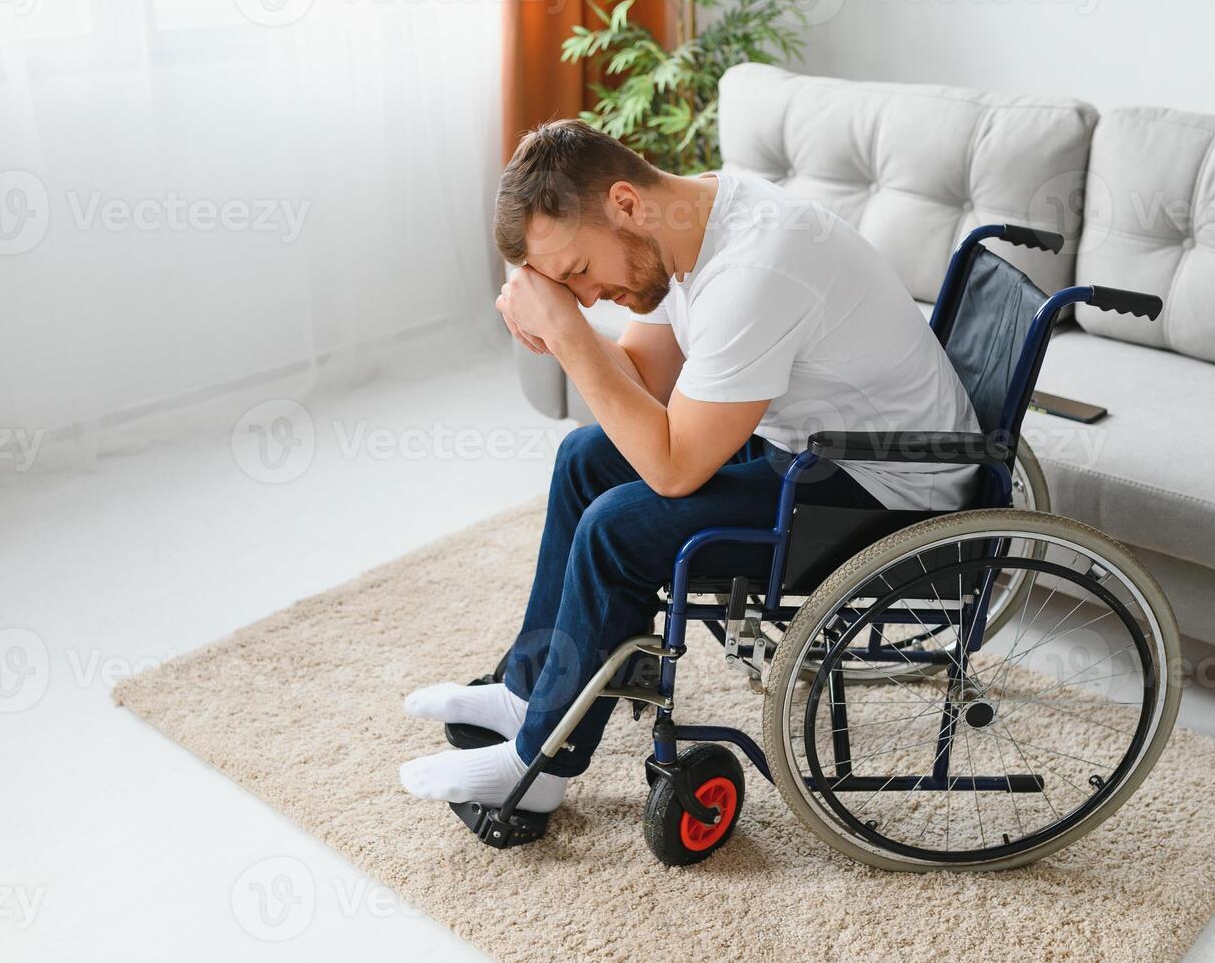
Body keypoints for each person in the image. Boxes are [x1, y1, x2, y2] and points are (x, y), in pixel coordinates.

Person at [398, 119, 980, 813]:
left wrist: (566, 329)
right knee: (587, 458)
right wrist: (561, 321)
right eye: (568, 285)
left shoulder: (756, 267)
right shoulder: (687, 222)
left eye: (579, 271)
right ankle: (528, 689)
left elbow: (673, 470)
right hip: (810, 451)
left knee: (621, 526)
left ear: (623, 204)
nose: (584, 296)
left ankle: (541, 765)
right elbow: (641, 378)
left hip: (884, 493)